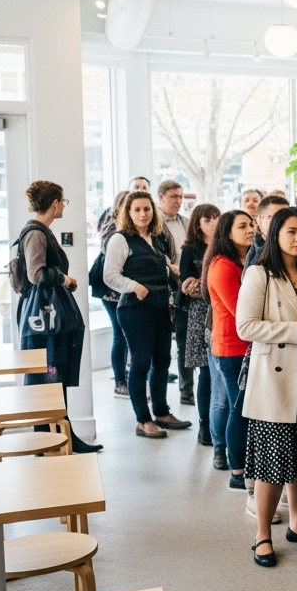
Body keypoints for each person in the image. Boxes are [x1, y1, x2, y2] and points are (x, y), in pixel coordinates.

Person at [238, 207, 297, 567]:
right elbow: (246, 326)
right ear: (275, 234)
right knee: (272, 461)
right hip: (275, 379)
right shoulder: (260, 273)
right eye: (291, 231)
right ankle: (262, 535)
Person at [17, 181, 100, 453]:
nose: (64, 205)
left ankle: (58, 435)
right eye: (63, 201)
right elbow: (36, 274)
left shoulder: (40, 231)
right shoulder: (36, 233)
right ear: (54, 203)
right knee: (49, 375)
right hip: (45, 320)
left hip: (46, 318)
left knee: (53, 376)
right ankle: (50, 437)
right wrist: (64, 278)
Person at [103, 190, 190, 438]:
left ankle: (162, 412)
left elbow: (161, 263)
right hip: (135, 308)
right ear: (128, 213)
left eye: (147, 209)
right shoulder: (120, 239)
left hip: (160, 307)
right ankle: (143, 420)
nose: (143, 214)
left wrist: (171, 269)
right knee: (140, 363)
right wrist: (134, 286)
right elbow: (110, 275)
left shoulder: (157, 237)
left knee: (162, 361)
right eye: (137, 210)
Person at [206, 210, 257, 484]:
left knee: (245, 408)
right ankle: (237, 473)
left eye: (251, 224)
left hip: (246, 345)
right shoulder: (222, 265)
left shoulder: (245, 259)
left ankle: (245, 466)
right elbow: (241, 312)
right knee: (239, 408)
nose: (250, 229)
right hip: (232, 347)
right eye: (242, 226)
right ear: (227, 232)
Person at [181, 203, 220, 445]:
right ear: (197, 223)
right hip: (200, 312)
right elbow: (187, 284)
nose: (213, 223)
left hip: (222, 309)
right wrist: (201, 284)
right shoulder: (190, 248)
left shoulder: (224, 245)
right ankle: (204, 424)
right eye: (207, 219)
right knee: (205, 371)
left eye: (216, 218)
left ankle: (218, 424)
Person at [158, 180, 194, 407]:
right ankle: (181, 390)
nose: (178, 201)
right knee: (174, 344)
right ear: (161, 198)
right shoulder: (155, 223)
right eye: (173, 196)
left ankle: (187, 389)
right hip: (167, 288)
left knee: (187, 342)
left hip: (187, 287)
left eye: (181, 196)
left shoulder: (186, 223)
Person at [99, 190, 132, 398]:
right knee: (120, 335)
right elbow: (109, 256)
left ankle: (127, 378)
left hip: (126, 291)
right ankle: (120, 382)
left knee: (127, 336)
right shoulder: (113, 226)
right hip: (112, 293)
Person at [245, 194, 288, 266]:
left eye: (286, 217)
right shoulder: (253, 252)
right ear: (259, 220)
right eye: (275, 217)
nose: (281, 222)